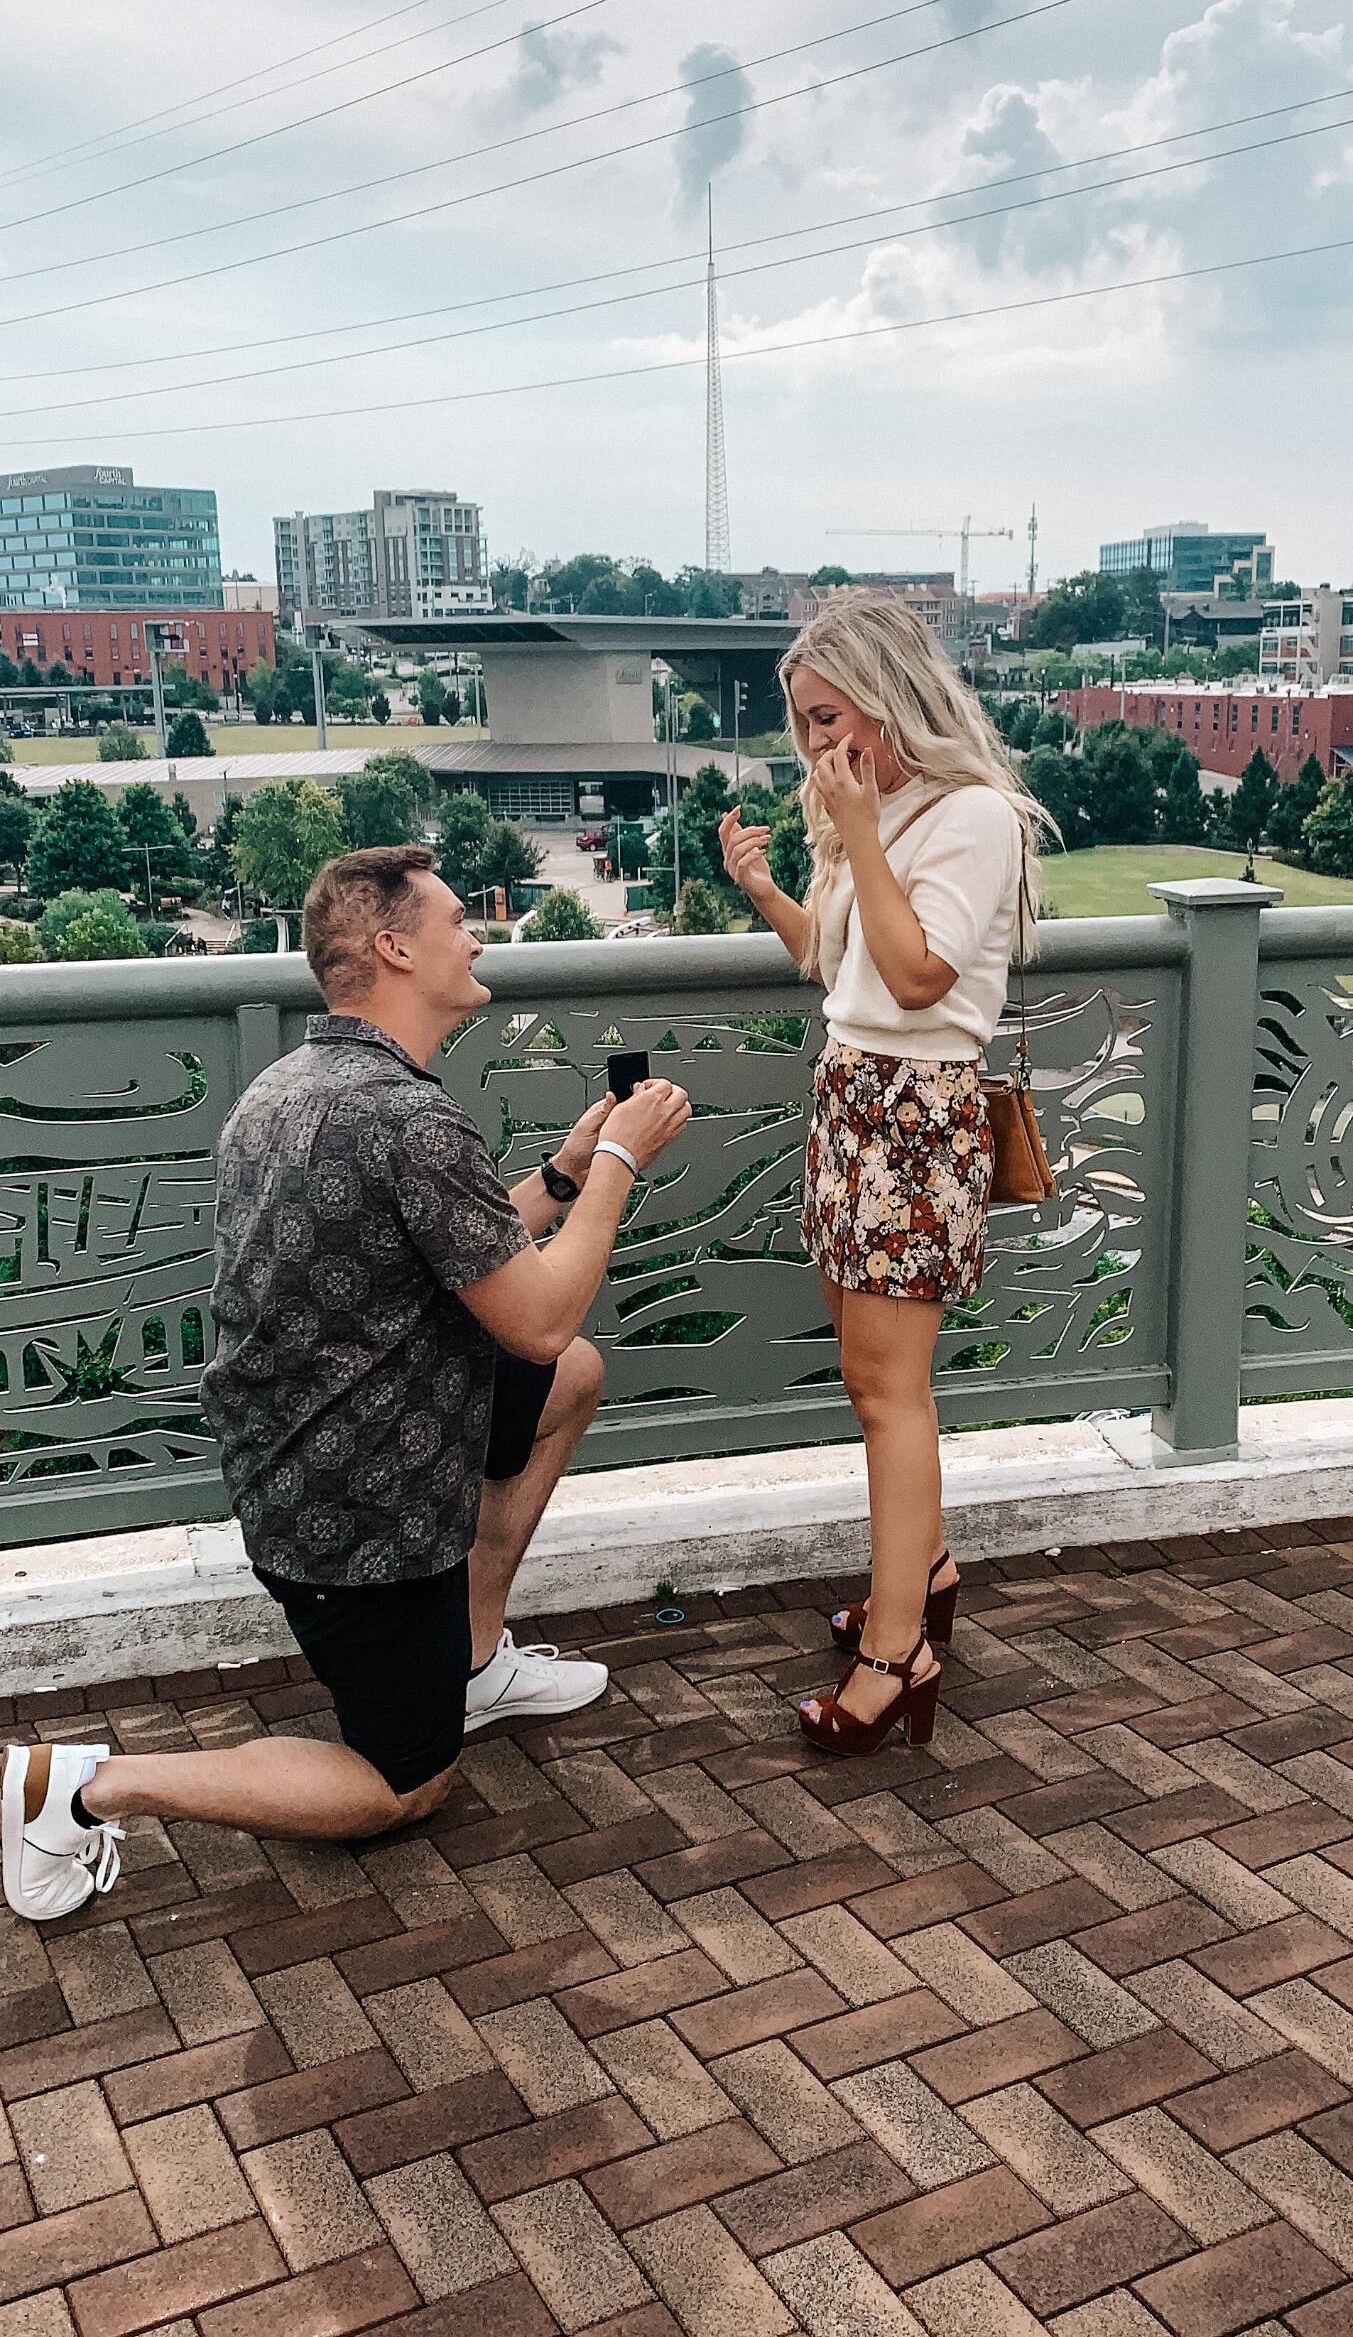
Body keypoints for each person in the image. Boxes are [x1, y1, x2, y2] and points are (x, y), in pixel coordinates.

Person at [2, 845, 690, 1923]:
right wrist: (621, 1163)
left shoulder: (291, 1085)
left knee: (568, 1379)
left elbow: (463, 1251)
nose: (477, 938)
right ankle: (79, 1788)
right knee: (404, 1783)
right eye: (457, 920)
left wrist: (563, 1170)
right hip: (359, 1512)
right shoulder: (409, 1116)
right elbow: (540, 1311)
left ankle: (473, 1662)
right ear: (395, 947)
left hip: (311, 1452)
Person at [720, 592, 1043, 1757]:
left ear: (886, 693)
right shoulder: (873, 809)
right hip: (850, 1100)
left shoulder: (970, 814)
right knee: (870, 1381)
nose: (815, 742)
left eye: (827, 715)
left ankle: (898, 1653)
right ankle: (924, 1571)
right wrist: (767, 889)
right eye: (803, 723)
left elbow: (916, 980)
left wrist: (855, 826)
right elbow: (839, 964)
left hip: (913, 1115)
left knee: (887, 1391)